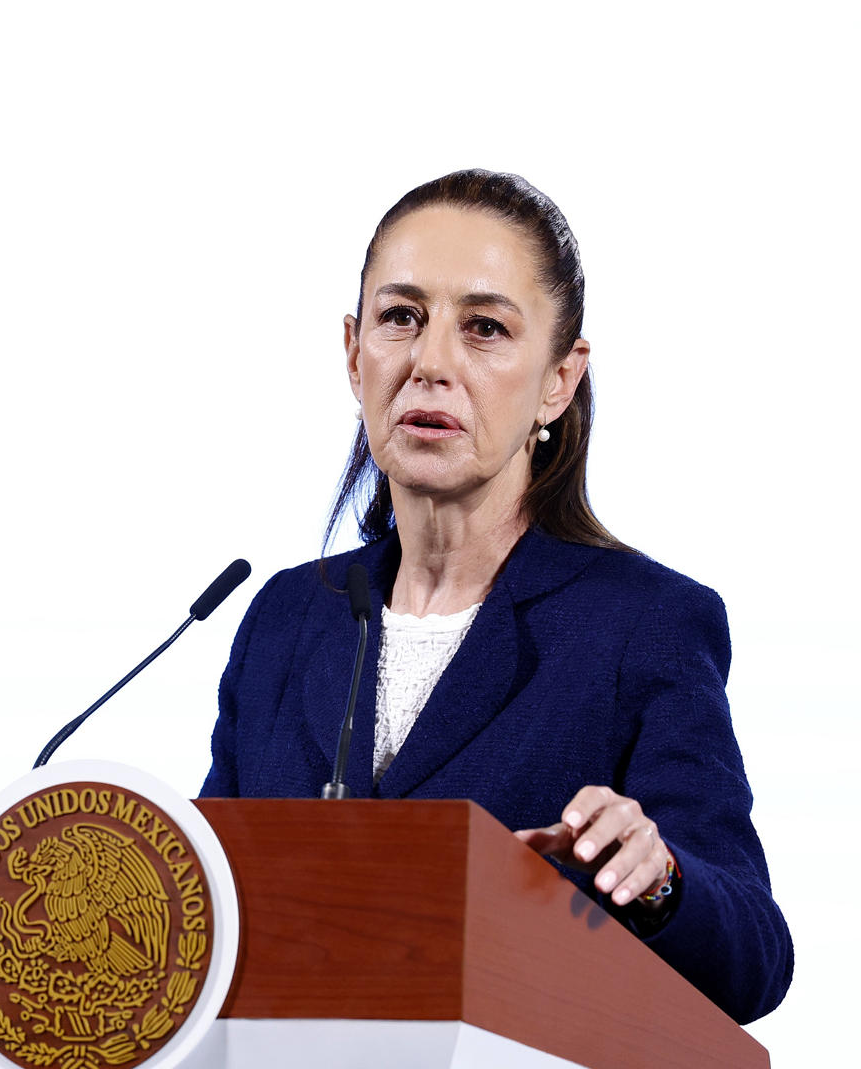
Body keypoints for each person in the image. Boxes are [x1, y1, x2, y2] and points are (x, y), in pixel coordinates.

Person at [200, 170, 791, 1024]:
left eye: (483, 329)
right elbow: (205, 902)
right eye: (401, 317)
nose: (430, 363)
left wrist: (658, 881)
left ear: (558, 379)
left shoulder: (642, 625)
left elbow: (755, 961)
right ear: (352, 350)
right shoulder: (289, 620)